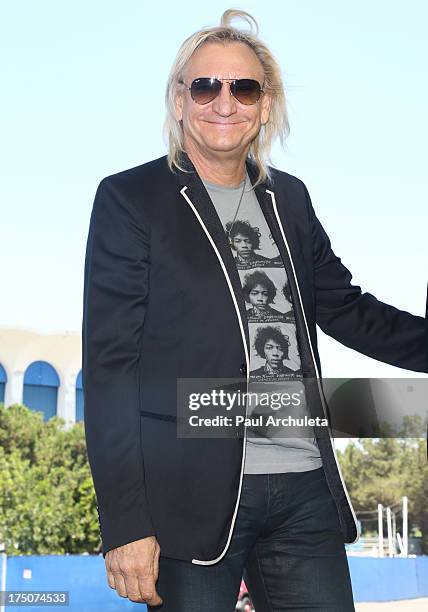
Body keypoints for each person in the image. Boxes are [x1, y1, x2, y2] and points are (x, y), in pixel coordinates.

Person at [82, 8, 428, 611]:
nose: (225, 102)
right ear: (179, 99)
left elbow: (346, 308)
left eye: (244, 87)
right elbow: (111, 367)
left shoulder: (289, 197)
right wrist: (126, 523)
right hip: (190, 503)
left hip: (303, 489)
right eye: (205, 85)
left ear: (265, 105)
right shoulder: (130, 198)